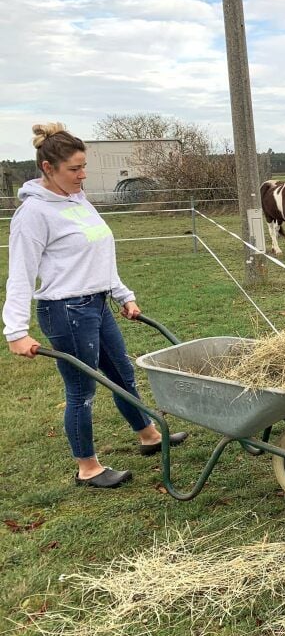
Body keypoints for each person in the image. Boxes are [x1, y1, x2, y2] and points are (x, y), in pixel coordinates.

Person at [3, 123, 188, 489]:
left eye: (83, 166)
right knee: (82, 391)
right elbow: (19, 273)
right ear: (48, 169)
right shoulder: (33, 214)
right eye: (74, 169)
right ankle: (87, 467)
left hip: (97, 304)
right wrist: (16, 330)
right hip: (66, 311)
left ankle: (148, 435)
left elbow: (99, 254)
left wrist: (123, 294)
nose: (82, 174)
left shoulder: (78, 200)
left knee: (122, 374)